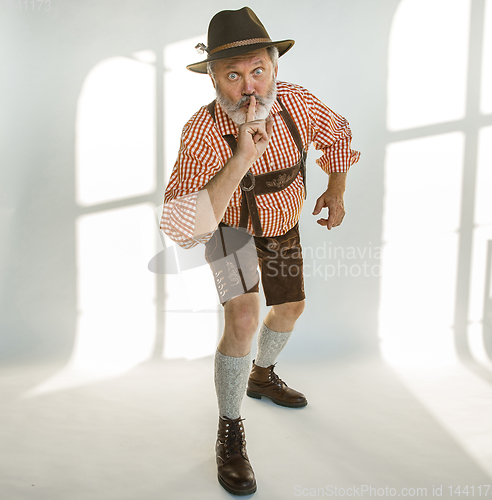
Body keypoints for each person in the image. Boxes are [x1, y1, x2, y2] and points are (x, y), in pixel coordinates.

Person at [160, 6, 360, 495]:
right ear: (212, 80)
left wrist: (335, 191)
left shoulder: (299, 104)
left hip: (282, 225)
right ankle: (230, 430)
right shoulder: (203, 132)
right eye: (233, 74)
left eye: (258, 70)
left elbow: (338, 136)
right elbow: (183, 227)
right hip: (228, 230)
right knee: (245, 318)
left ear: (275, 69)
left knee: (291, 307)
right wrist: (242, 156)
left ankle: (262, 376)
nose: (249, 87)